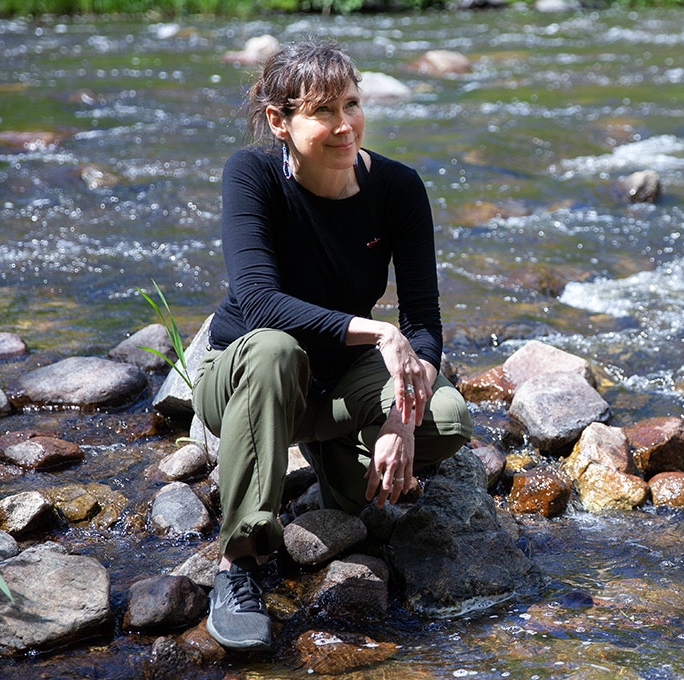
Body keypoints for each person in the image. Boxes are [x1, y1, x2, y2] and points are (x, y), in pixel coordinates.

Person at [192, 38, 473, 651]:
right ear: (279, 121)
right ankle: (238, 564)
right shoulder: (252, 175)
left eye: (351, 103)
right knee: (274, 350)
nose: (345, 125)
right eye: (323, 112)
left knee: (445, 420)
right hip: (247, 375)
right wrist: (379, 331)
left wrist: (401, 412)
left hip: (339, 380)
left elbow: (424, 318)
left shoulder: (398, 188)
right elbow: (259, 301)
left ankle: (332, 461)